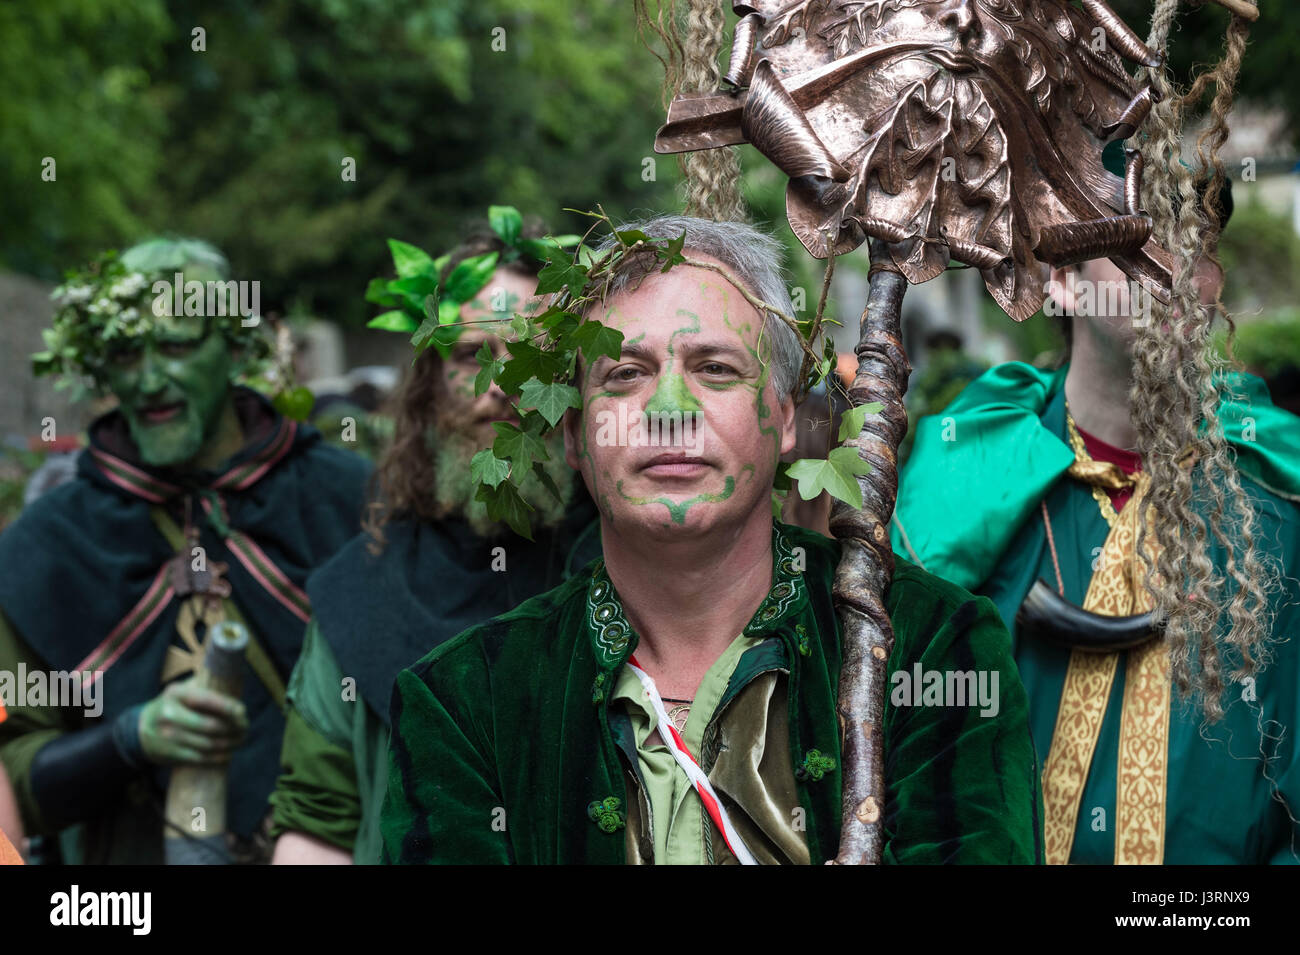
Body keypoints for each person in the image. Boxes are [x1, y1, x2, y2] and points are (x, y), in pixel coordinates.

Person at [381, 215, 1042, 865]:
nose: (670, 409)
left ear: (785, 417)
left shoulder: (932, 647)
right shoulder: (465, 701)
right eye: (625, 373)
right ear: (573, 433)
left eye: (716, 368)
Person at [892, 191, 1300, 863]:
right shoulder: (967, 498)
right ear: (1062, 280)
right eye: (1141, 244)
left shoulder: (1276, 496)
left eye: (1197, 246)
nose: (1176, 271)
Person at [0, 238, 370, 864]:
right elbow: (13, 774)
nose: (148, 380)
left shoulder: (347, 500)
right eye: (124, 353)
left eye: (176, 344)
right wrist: (129, 738)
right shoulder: (47, 542)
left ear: (234, 348)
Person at [269, 227, 600, 864]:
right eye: (474, 353)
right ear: (430, 384)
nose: (502, 384)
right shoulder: (357, 592)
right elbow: (318, 825)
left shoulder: (631, 569)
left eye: (534, 356)